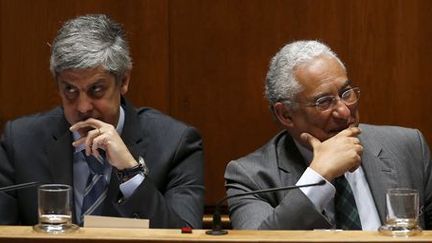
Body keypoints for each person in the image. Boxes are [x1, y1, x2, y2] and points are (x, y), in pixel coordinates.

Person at [0, 14, 204, 228]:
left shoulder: (175, 144)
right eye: (70, 90)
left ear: (123, 81)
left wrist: (130, 173)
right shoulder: (21, 141)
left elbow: (185, 235)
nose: (83, 107)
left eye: (96, 90)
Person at [225, 40, 432, 230]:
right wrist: (318, 175)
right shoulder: (250, 178)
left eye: (346, 93)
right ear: (286, 114)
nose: (344, 111)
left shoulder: (408, 147)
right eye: (323, 102)